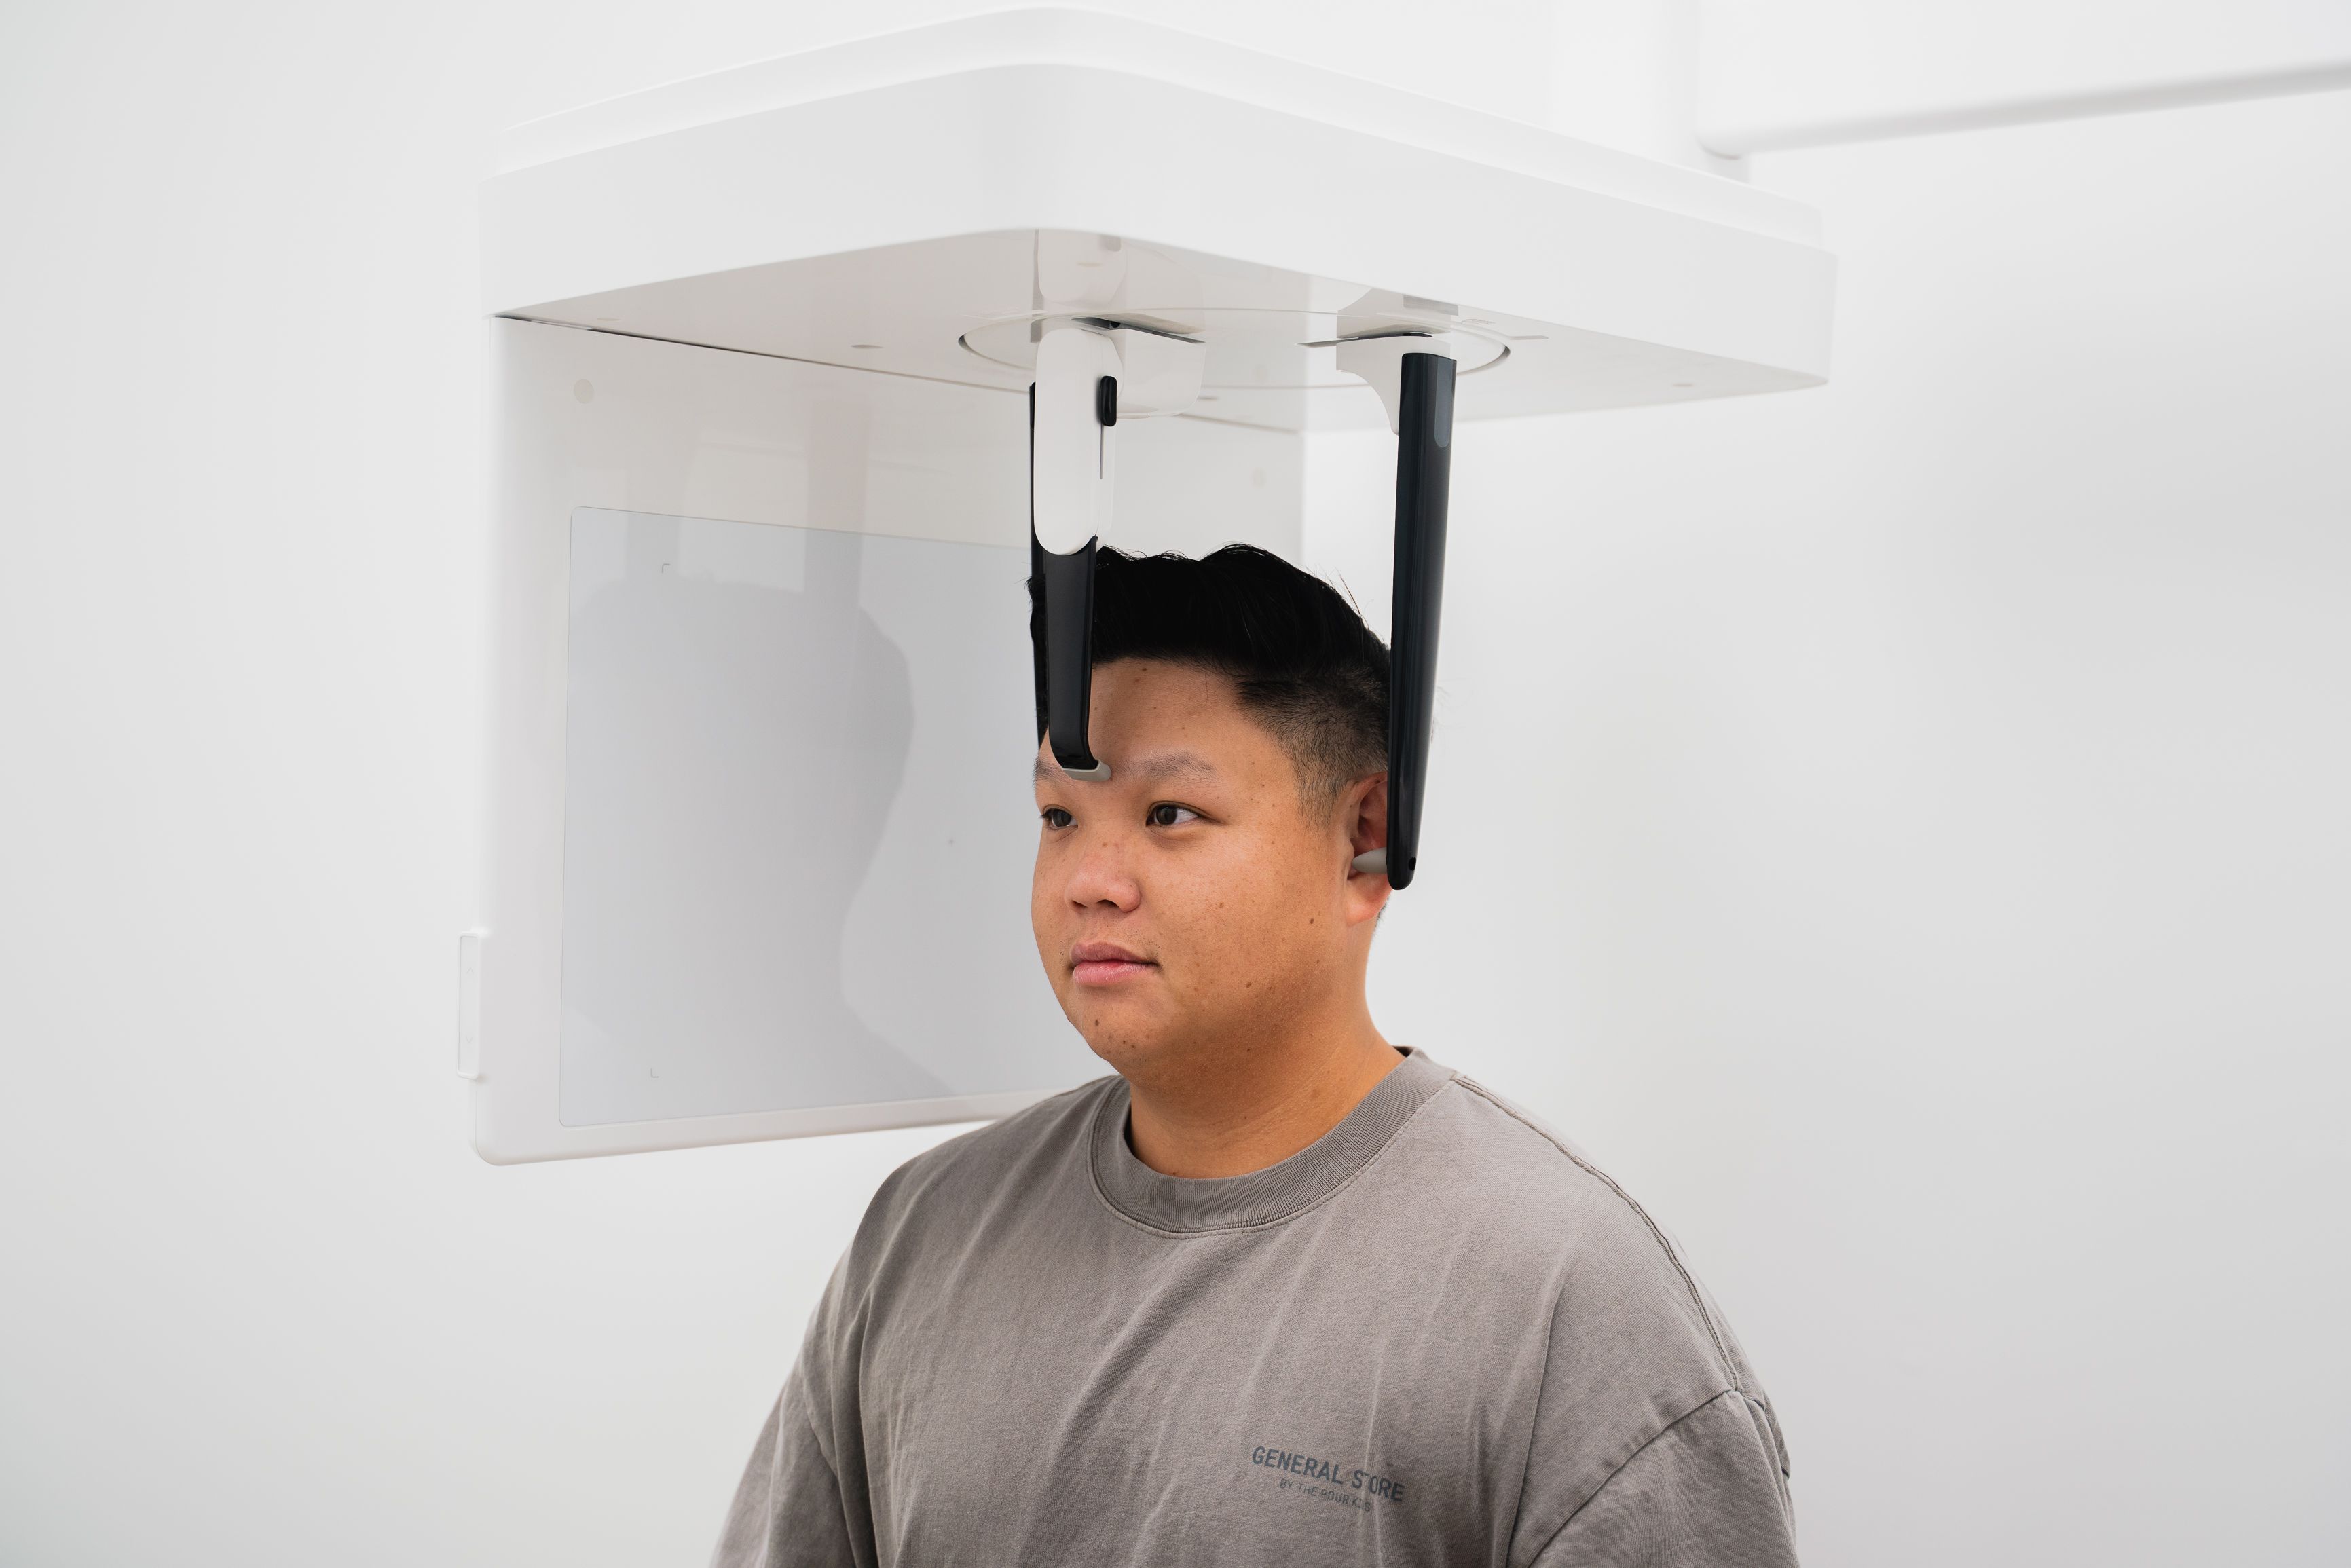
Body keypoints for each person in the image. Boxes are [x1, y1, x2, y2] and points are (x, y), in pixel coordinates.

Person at [714, 545, 1798, 1567]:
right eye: (1058, 814)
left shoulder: (1567, 1301)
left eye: (1169, 812)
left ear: (1364, 838)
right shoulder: (924, 1231)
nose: (1091, 876)